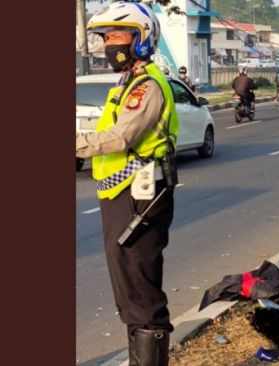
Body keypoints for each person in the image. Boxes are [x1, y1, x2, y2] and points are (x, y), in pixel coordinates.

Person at [76, 2, 179, 364]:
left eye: (117, 35)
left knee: (141, 291)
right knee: (129, 291)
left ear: (141, 38)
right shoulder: (126, 84)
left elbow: (121, 137)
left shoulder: (147, 86)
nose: (109, 44)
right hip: (122, 194)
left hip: (141, 197)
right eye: (106, 37)